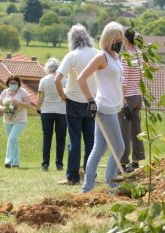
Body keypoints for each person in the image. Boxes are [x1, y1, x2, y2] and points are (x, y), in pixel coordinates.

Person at [77, 22, 126, 193]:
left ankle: (87, 187)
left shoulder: (115, 57)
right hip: (104, 107)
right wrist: (90, 100)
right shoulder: (101, 57)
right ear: (108, 39)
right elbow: (81, 79)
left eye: (121, 39)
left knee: (100, 147)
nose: (119, 42)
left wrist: (124, 103)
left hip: (115, 106)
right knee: (119, 147)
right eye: (116, 39)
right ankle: (111, 183)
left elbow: (116, 83)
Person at [55, 24, 98, 185]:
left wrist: (62, 94)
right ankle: (90, 175)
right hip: (92, 102)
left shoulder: (72, 55)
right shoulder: (97, 54)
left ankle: (72, 176)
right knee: (90, 142)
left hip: (73, 101)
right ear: (87, 37)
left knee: (74, 142)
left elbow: (57, 79)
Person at [119, 28, 145, 173]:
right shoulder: (140, 55)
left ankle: (122, 163)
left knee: (124, 130)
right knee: (136, 130)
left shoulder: (126, 57)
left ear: (125, 40)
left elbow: (124, 82)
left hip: (127, 97)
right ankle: (136, 161)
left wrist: (122, 102)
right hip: (138, 96)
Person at [37, 58, 67, 172]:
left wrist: (37, 108)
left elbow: (40, 97)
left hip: (46, 110)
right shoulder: (64, 80)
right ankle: (59, 163)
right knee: (61, 138)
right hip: (61, 110)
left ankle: (45, 164)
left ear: (47, 68)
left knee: (47, 138)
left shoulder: (43, 80)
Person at [0, 75, 31, 168]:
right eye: (11, 83)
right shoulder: (4, 92)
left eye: (15, 83)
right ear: (8, 83)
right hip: (7, 120)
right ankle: (15, 163)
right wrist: (2, 108)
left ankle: (8, 161)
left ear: (18, 83)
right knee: (12, 140)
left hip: (20, 120)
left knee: (11, 139)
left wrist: (19, 103)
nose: (13, 85)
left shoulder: (23, 92)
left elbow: (28, 105)